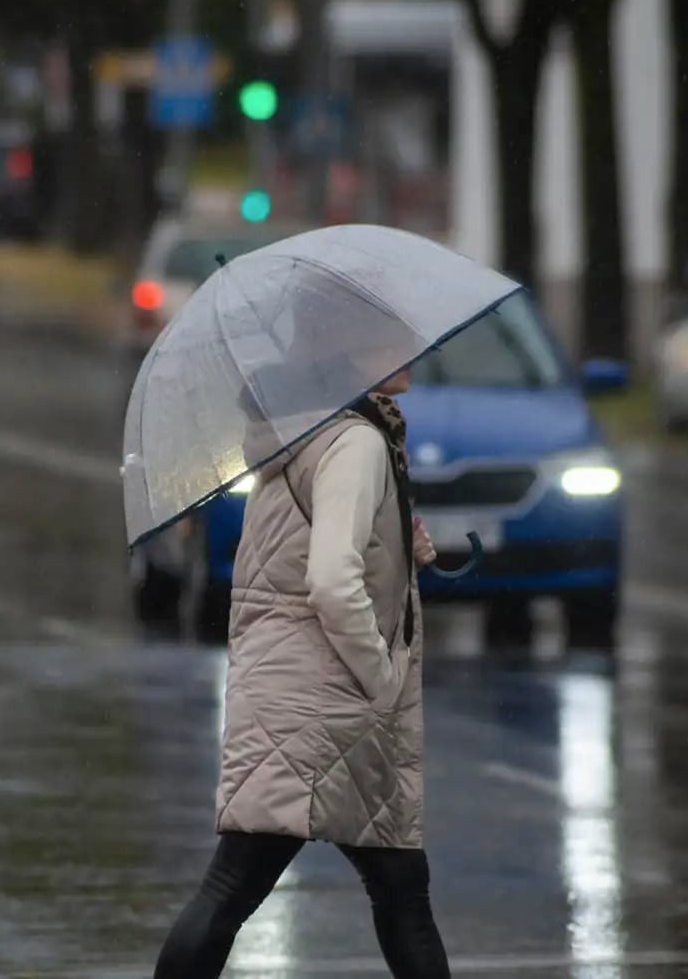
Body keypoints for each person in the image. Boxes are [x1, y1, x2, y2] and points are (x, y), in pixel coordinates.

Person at [154, 348, 450, 978]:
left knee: (397, 887)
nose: (409, 351)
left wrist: (400, 543)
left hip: (295, 689)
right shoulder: (356, 441)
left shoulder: (304, 428)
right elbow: (331, 581)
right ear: (345, 350)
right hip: (325, 703)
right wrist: (381, 676)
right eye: (385, 341)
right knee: (239, 885)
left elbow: (298, 546)